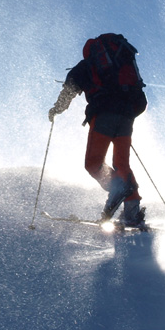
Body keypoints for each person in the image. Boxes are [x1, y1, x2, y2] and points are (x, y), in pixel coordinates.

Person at [48, 33, 148, 229]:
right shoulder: (121, 64)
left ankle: (117, 190)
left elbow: (69, 89)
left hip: (103, 115)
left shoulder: (87, 65)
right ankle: (132, 213)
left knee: (93, 163)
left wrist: (56, 109)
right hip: (127, 115)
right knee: (122, 165)